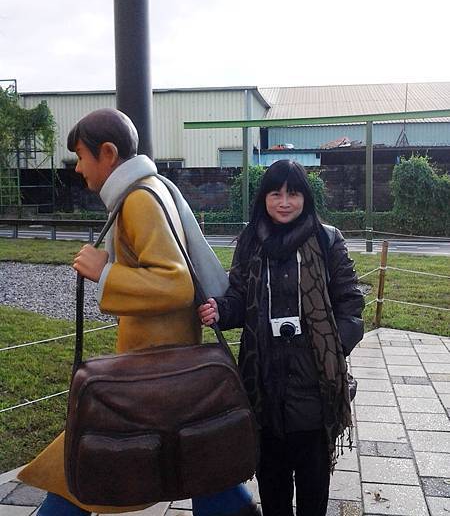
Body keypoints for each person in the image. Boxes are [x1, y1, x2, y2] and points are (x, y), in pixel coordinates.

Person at [18, 108, 259, 516]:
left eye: (81, 156)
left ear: (108, 153)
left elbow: (176, 282)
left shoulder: (138, 201)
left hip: (152, 367)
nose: (78, 168)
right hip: (170, 362)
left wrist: (104, 272)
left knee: (81, 466)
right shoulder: (151, 188)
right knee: (199, 460)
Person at [198, 159, 364, 516]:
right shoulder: (250, 241)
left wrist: (333, 348)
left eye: (293, 193)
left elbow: (351, 303)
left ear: (306, 197)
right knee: (272, 489)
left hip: (315, 388)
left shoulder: (327, 239)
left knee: (313, 491)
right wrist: (220, 310)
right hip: (263, 384)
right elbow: (239, 296)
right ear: (264, 198)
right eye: (276, 193)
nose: (284, 202)